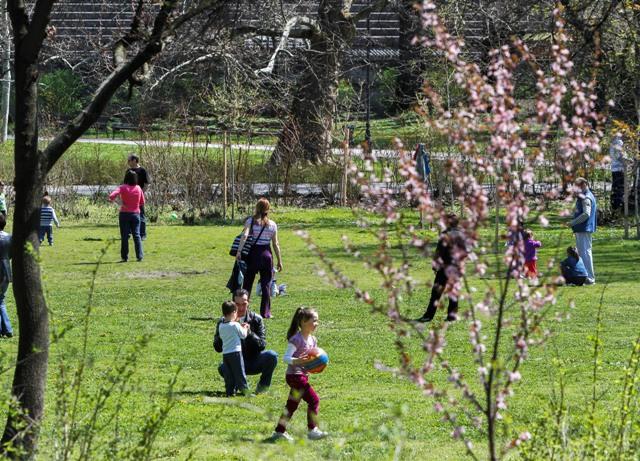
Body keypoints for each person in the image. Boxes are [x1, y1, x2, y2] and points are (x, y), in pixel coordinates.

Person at [271, 307, 328, 442]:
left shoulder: (313, 340)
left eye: (317, 321)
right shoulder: (296, 339)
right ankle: (312, 430)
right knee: (314, 400)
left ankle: (279, 432)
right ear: (303, 321)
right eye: (314, 321)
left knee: (291, 405)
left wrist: (318, 364)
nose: (316, 323)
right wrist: (298, 361)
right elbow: (286, 358)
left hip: (301, 375)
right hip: (295, 376)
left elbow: (312, 359)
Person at [215, 289, 278, 394]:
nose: (240, 308)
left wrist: (249, 333)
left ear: (248, 302)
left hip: (254, 360)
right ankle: (233, 387)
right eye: (237, 304)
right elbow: (217, 348)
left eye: (244, 304)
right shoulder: (223, 323)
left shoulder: (257, 319)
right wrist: (225, 333)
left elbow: (262, 345)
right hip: (234, 360)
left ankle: (262, 387)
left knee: (272, 356)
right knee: (223, 367)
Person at [416, 213, 468, 322]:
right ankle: (452, 316)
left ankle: (428, 316)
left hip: (444, 267)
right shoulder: (462, 235)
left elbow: (439, 252)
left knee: (436, 293)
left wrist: (435, 266)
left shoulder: (445, 234)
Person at [236, 198, 283, 318]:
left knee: (247, 283)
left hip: (253, 254)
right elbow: (275, 244)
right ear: (268, 209)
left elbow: (245, 235)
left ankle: (243, 311)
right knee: (266, 284)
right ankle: (266, 312)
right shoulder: (272, 225)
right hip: (266, 255)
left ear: (257, 207)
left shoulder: (250, 221)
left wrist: (239, 251)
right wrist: (279, 260)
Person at [109, 170, 145, 262]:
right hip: (136, 214)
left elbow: (111, 196)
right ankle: (139, 255)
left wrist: (119, 202)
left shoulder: (122, 187)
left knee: (124, 236)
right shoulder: (138, 188)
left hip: (124, 214)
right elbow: (142, 202)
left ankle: (124, 257)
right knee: (136, 235)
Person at [217, 300, 250, 397]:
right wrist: (245, 328)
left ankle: (230, 391)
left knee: (229, 374)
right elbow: (243, 335)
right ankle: (245, 390)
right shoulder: (235, 325)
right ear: (233, 312)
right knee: (240, 372)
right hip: (235, 352)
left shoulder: (221, 325)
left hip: (226, 353)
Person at [569, 177, 596, 285]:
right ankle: (584, 276)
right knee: (583, 253)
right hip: (582, 229)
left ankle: (589, 278)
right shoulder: (584, 196)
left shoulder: (586, 197)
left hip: (584, 229)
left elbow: (586, 214)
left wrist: (573, 222)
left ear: (584, 185)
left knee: (585, 253)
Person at [125, 154, 150, 240]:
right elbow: (125, 184)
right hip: (129, 198)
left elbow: (146, 184)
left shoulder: (142, 171)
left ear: (134, 160)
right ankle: (127, 234)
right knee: (127, 215)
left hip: (139, 197)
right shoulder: (128, 171)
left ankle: (142, 234)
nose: (128, 162)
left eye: (129, 160)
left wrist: (141, 193)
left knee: (141, 215)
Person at [0, 215, 12, 338]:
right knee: (1, 300)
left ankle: (6, 329)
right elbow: (11, 254)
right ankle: (6, 329)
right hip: (6, 272)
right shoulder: (10, 237)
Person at [609, 133, 627, 211]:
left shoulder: (612, 143)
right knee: (620, 188)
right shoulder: (619, 142)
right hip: (619, 168)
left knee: (615, 187)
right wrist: (626, 161)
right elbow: (620, 156)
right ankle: (618, 205)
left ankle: (614, 205)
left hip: (614, 169)